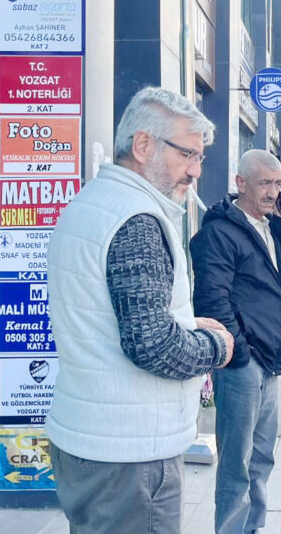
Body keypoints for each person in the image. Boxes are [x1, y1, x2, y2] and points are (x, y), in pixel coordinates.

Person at [45, 87, 235, 534]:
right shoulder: (137, 219)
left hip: (92, 443)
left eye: (201, 157)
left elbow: (117, 317)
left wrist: (186, 326)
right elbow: (152, 344)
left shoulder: (90, 203)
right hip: (130, 459)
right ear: (143, 144)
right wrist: (214, 344)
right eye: (188, 154)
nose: (196, 170)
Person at [191, 149, 281, 534]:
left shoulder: (270, 224)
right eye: (265, 183)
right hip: (244, 365)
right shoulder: (219, 233)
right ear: (240, 183)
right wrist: (240, 356)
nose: (273, 192)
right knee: (236, 465)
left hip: (271, 361)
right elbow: (212, 301)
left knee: (262, 459)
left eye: (278, 184)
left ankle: (254, 527)